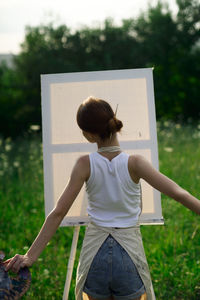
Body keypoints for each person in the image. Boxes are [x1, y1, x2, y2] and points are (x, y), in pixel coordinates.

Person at [4, 97, 200, 300]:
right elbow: (180, 194)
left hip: (94, 255)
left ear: (89, 135)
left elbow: (58, 212)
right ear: (114, 123)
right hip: (128, 255)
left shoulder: (84, 164)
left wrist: (30, 256)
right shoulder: (136, 162)